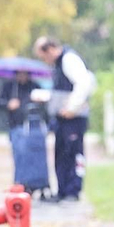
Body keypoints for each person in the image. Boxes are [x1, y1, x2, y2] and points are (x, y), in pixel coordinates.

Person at [33, 36, 95, 202]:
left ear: (50, 49)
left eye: (44, 56)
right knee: (61, 153)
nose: (45, 61)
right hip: (62, 118)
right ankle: (62, 190)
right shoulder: (58, 66)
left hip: (73, 117)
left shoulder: (69, 59)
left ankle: (73, 191)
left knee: (73, 153)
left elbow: (83, 83)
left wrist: (72, 107)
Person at [5, 70, 52, 194]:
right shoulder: (10, 87)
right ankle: (21, 182)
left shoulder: (35, 87)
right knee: (19, 155)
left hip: (33, 127)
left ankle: (37, 183)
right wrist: (8, 104)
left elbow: (44, 108)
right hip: (16, 125)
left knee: (36, 156)